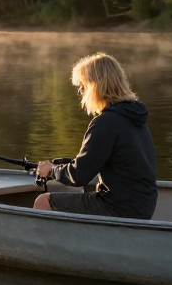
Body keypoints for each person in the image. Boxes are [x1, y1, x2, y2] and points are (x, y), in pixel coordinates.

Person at [33, 53, 157, 220]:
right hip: (143, 205)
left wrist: (52, 171)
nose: (80, 92)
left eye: (82, 86)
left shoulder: (105, 122)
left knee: (43, 202)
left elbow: (79, 176)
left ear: (95, 86)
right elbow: (95, 161)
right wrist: (59, 164)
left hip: (119, 207)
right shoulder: (134, 117)